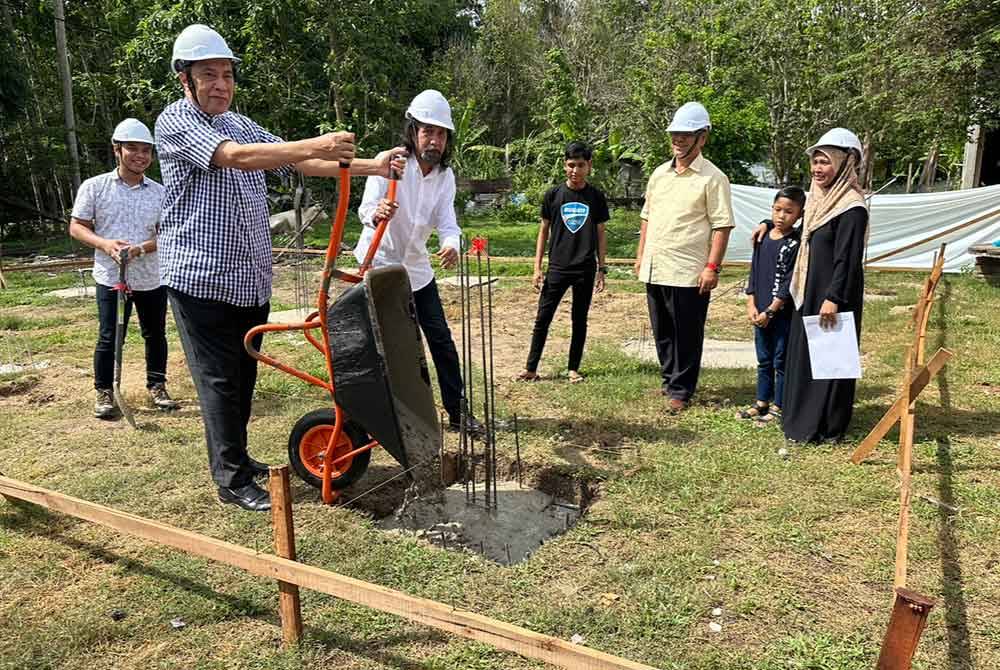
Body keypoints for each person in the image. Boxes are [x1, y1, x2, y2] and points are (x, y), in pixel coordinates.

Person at [155, 24, 403, 512]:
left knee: (243, 378)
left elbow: (300, 164)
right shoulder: (176, 122)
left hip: (247, 280)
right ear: (185, 79)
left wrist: (374, 165)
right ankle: (230, 479)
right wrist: (315, 143)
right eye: (209, 75)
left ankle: (240, 460)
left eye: (227, 75)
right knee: (219, 381)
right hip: (199, 279)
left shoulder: (240, 122)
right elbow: (238, 159)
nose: (221, 84)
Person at [356, 89, 483, 435]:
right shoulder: (391, 163)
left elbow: (447, 222)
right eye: (428, 131)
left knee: (440, 339)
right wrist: (377, 213)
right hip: (380, 265)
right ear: (413, 131)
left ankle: (457, 413)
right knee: (391, 346)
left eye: (441, 133)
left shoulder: (445, 176)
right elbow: (365, 209)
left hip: (416, 270)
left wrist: (450, 243)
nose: (435, 140)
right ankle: (387, 417)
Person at [69, 118, 180, 419]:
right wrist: (105, 244)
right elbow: (77, 227)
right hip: (110, 277)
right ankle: (105, 391)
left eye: (146, 150)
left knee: (155, 333)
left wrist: (142, 248)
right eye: (133, 148)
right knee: (109, 335)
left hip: (150, 277)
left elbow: (169, 233)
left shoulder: (161, 192)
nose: (140, 155)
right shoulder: (95, 187)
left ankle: (157, 385)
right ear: (117, 149)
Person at [633, 102, 734, 412]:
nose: (678, 140)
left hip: (688, 270)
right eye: (675, 134)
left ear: (702, 138)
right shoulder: (659, 174)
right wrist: (640, 256)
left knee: (687, 333)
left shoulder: (712, 178)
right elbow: (647, 217)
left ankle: (682, 390)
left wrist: (711, 267)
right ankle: (669, 381)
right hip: (655, 264)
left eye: (685, 135)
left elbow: (721, 225)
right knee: (662, 330)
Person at [781, 128, 869, 443]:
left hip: (833, 293)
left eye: (826, 162)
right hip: (810, 289)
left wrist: (833, 298)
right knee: (807, 356)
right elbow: (800, 230)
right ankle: (801, 419)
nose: (818, 169)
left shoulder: (851, 207)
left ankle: (826, 427)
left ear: (846, 163)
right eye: (815, 161)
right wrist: (767, 226)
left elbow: (847, 259)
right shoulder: (819, 201)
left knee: (831, 360)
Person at [518, 141, 609, 383]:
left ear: (589, 166)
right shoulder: (553, 195)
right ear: (564, 165)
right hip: (557, 267)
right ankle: (531, 368)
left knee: (579, 320)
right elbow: (543, 231)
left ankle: (573, 368)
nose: (575, 171)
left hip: (585, 268)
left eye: (580, 165)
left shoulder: (596, 197)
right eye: (570, 165)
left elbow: (601, 232)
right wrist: (537, 268)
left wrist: (602, 268)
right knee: (542, 318)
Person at [739, 186, 805, 423]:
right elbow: (754, 271)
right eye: (777, 210)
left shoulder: (796, 243)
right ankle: (761, 401)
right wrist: (751, 302)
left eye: (789, 211)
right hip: (760, 308)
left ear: (799, 215)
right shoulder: (762, 236)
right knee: (763, 359)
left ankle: (779, 405)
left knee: (781, 360)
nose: (781, 216)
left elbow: (789, 280)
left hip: (781, 312)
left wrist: (771, 309)